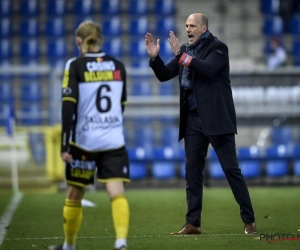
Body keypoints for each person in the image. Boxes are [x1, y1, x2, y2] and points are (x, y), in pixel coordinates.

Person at [145, 13, 257, 235]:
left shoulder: (219, 48)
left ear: (204, 28)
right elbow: (164, 74)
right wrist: (155, 58)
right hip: (193, 120)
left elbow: (205, 69)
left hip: (217, 119)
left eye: (192, 25)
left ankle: (249, 220)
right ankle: (192, 223)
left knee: (230, 170)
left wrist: (179, 55)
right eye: (186, 25)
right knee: (192, 172)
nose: (188, 29)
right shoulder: (185, 51)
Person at [48, 20, 130, 250]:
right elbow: (121, 104)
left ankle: (69, 246)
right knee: (116, 192)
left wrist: (65, 144)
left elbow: (68, 106)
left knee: (74, 194)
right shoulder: (118, 65)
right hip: (113, 139)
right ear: (100, 39)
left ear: (79, 42)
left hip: (84, 142)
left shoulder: (74, 65)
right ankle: (121, 242)